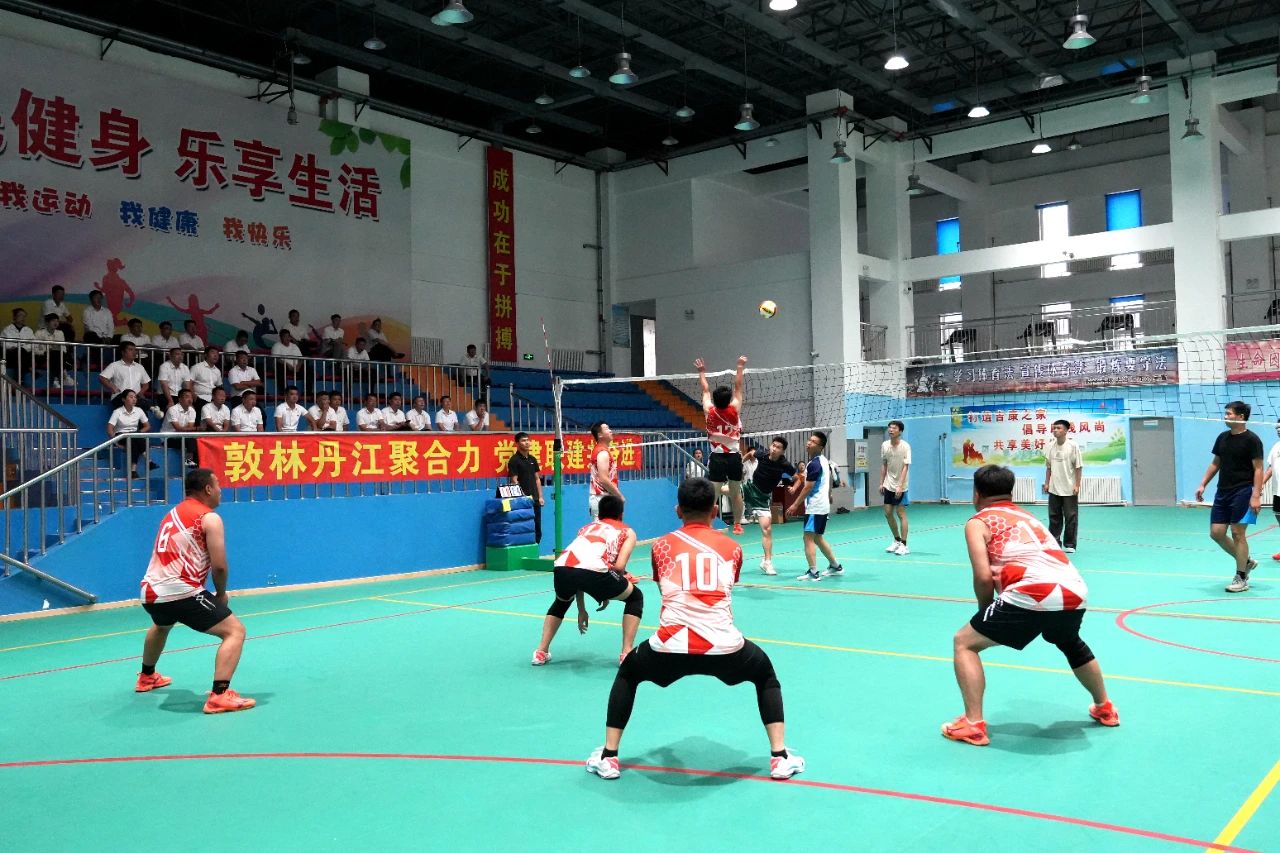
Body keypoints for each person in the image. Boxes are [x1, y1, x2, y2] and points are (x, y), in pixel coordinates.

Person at [585, 477, 804, 782]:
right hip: (724, 646)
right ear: (715, 510)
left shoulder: (661, 546)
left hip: (669, 646)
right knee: (765, 674)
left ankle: (609, 757)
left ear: (678, 510)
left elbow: (665, 589)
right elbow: (726, 586)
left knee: (628, 673)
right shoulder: (733, 548)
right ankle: (779, 758)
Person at [941, 464, 1118, 747]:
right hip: (1074, 589)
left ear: (976, 493)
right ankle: (1105, 707)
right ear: (1010, 493)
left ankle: (973, 725)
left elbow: (983, 577)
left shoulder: (978, 522)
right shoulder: (1028, 516)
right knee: (1070, 641)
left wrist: (984, 612)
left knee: (964, 643)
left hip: (1032, 592)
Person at [135, 468, 256, 714]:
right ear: (208, 489)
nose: (221, 490)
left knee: (161, 625)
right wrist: (220, 593)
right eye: (218, 485)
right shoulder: (209, 518)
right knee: (235, 631)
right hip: (180, 590)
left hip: (150, 592)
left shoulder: (171, 514)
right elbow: (219, 566)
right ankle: (219, 696)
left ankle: (147, 677)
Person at [534, 495, 642, 667]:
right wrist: (609, 589)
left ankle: (541, 652)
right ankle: (626, 653)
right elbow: (619, 567)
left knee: (561, 602)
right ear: (621, 514)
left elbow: (579, 571)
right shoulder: (627, 531)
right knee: (635, 597)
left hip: (562, 568)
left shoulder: (585, 528)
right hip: (595, 572)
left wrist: (582, 609)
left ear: (599, 514)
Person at [1195, 401, 1264, 593]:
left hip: (1243, 491)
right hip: (1223, 491)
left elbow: (1258, 469)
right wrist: (1203, 484)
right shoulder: (1222, 438)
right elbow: (1215, 463)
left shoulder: (1252, 440)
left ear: (1241, 417)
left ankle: (1241, 577)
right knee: (1216, 533)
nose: (1225, 416)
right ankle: (1246, 561)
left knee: (1237, 533)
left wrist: (1255, 495)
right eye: (1226, 413)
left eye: (1229, 413)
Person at [696, 355, 748, 534]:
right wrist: (740, 366)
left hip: (717, 457)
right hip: (734, 457)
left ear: (715, 400)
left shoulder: (709, 411)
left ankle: (708, 525)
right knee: (735, 493)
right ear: (729, 400)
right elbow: (738, 387)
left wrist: (702, 371)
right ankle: (737, 524)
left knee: (714, 494)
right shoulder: (735, 409)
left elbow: (705, 390)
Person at [789, 431, 843, 581]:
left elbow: (808, 487)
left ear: (820, 447)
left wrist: (795, 504)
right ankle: (835, 566)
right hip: (822, 506)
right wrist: (829, 494)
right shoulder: (824, 461)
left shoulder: (814, 464)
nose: (808, 443)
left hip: (815, 507)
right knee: (818, 538)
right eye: (809, 440)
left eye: (813, 442)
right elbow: (829, 479)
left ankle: (813, 571)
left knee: (808, 538)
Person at [743, 437, 798, 575]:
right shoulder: (762, 454)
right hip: (750, 488)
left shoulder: (784, 464)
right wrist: (739, 464)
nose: (774, 449)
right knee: (723, 490)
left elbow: (798, 478)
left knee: (767, 529)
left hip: (763, 498)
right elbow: (750, 454)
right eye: (773, 445)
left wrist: (794, 487)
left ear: (782, 451)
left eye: (778, 447)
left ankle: (767, 562)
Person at [1043, 419, 1083, 553]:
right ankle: (1054, 543)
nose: (1055, 430)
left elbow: (1078, 467)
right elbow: (1048, 467)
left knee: (1071, 517)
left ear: (1066, 430)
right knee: (1054, 516)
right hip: (1054, 488)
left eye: (1059, 428)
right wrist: (1047, 483)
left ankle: (1070, 544)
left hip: (1069, 488)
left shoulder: (1073, 446)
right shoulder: (1049, 446)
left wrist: (1077, 485)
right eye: (1054, 428)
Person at [880, 420, 912, 555]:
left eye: (894, 428)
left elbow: (906, 467)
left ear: (900, 431)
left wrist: (900, 485)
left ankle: (904, 545)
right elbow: (884, 464)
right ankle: (897, 540)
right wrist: (881, 482)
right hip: (888, 484)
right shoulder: (885, 445)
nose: (891, 430)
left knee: (900, 513)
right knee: (887, 513)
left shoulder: (905, 446)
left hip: (901, 486)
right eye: (890, 428)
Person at [507, 432, 544, 543]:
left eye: (528, 440)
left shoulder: (533, 459)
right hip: (523, 501)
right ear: (517, 443)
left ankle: (536, 548)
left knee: (537, 528)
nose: (527, 442)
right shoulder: (514, 460)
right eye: (523, 440)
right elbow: (514, 481)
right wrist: (521, 498)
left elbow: (537, 479)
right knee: (525, 528)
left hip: (535, 499)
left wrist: (540, 497)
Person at [107, 389, 152, 476]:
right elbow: (109, 429)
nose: (134, 399)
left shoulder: (139, 410)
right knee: (134, 439)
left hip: (134, 436)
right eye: (131, 397)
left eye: (135, 397)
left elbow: (147, 426)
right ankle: (148, 461)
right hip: (121, 436)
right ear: (124, 399)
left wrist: (138, 432)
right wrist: (116, 443)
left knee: (134, 441)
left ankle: (133, 471)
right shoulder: (117, 412)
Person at [99, 343, 152, 409]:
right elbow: (102, 378)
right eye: (130, 350)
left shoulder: (140, 367)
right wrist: (113, 387)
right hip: (120, 397)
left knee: (142, 406)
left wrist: (140, 393)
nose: (134, 352)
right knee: (135, 403)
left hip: (136, 398)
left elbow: (146, 384)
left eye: (135, 350)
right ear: (123, 352)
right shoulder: (114, 365)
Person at [588, 421, 622, 519]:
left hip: (604, 499)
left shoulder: (603, 451)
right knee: (604, 528)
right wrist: (620, 496)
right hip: (602, 500)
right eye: (607, 429)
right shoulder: (602, 452)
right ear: (600, 435)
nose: (610, 431)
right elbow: (603, 479)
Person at [34, 312, 75, 388]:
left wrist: (54, 349)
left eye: (57, 321)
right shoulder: (39, 333)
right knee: (55, 354)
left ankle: (55, 379)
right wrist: (46, 351)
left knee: (56, 354)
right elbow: (34, 349)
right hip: (42, 356)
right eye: (53, 321)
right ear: (47, 322)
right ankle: (64, 376)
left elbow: (63, 349)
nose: (56, 323)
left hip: (57, 356)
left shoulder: (60, 333)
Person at [161, 388, 200, 467]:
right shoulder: (172, 410)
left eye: (191, 397)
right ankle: (189, 461)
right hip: (168, 438)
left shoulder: (192, 411)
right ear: (180, 399)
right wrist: (196, 428)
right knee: (190, 440)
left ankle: (196, 463)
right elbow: (178, 429)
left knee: (198, 439)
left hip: (182, 437)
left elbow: (189, 428)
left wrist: (186, 429)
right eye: (187, 397)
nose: (190, 399)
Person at [2, 307, 35, 382]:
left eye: (24, 316)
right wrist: (16, 347)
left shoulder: (28, 330)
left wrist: (22, 347)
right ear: (14, 317)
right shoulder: (7, 329)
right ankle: (28, 369)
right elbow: (3, 343)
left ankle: (20, 378)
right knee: (18, 351)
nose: (23, 318)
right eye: (20, 315)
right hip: (12, 354)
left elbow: (33, 343)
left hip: (25, 354)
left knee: (22, 351)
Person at [156, 346, 192, 414]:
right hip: (165, 395)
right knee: (171, 412)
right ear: (170, 356)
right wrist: (170, 401)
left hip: (179, 396)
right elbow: (164, 385)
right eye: (177, 354)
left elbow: (187, 386)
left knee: (188, 410)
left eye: (181, 354)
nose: (180, 356)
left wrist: (188, 399)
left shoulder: (185, 367)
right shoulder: (164, 366)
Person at [1264, 419, 1280, 563]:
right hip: (1278, 491)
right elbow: (1270, 468)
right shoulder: (1276, 446)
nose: (1278, 430)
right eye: (1277, 427)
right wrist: (1260, 484)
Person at [190, 346, 222, 412]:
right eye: (213, 352)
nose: (215, 355)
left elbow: (219, 387)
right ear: (205, 355)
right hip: (200, 398)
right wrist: (194, 397)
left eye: (217, 353)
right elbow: (189, 384)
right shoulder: (196, 367)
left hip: (214, 399)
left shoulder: (217, 371)